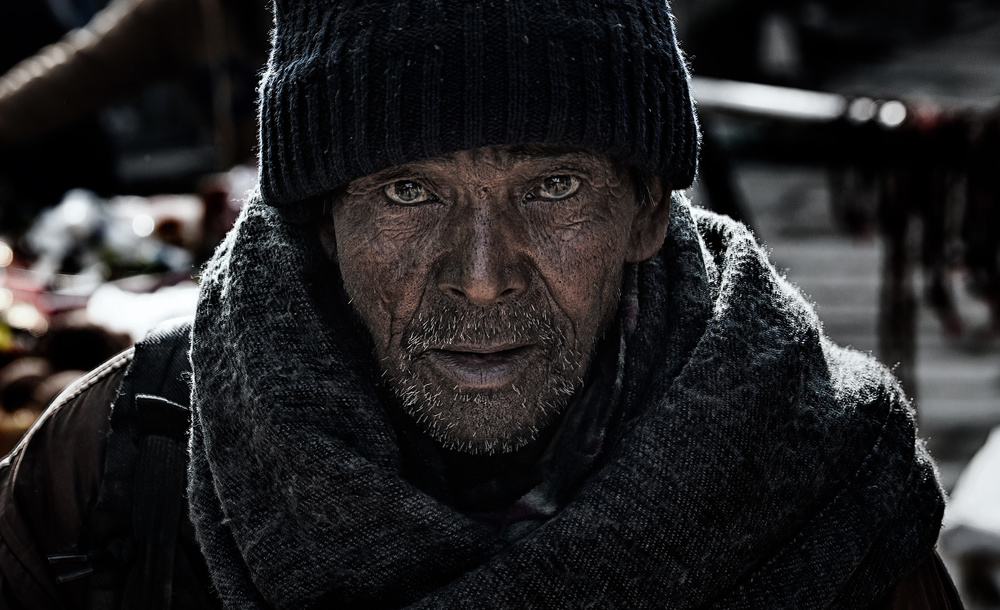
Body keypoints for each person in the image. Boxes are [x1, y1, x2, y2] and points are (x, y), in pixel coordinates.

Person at [0, 0, 963, 608]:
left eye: (554, 188)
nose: (482, 277)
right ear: (320, 222)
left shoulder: (823, 480)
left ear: (646, 214)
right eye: (406, 192)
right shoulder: (115, 469)